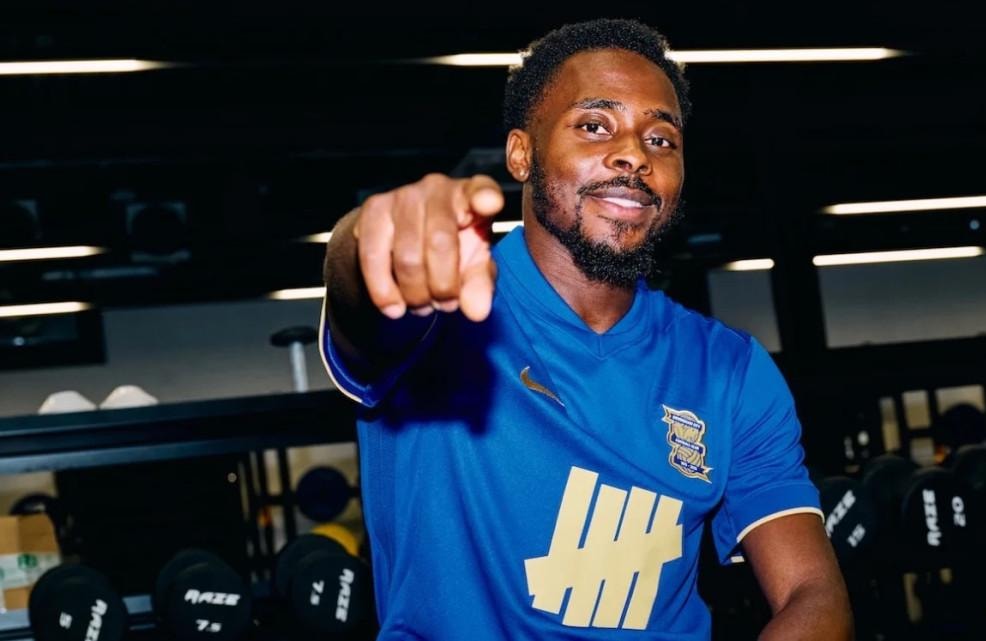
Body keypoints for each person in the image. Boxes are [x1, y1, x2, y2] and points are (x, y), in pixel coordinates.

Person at [320, 18, 852, 640]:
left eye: (661, 139)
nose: (635, 155)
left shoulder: (730, 370)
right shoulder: (443, 315)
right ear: (522, 154)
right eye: (594, 125)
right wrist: (374, 235)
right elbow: (362, 290)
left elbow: (813, 594)